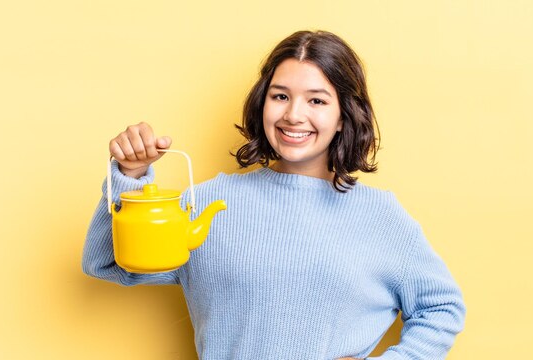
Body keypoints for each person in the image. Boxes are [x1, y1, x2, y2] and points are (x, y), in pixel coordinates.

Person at [82, 30, 466, 360]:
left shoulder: (379, 216)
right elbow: (106, 263)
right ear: (262, 102)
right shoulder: (209, 201)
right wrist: (129, 176)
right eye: (280, 96)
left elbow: (442, 307)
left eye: (317, 100)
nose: (293, 115)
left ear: (344, 116)